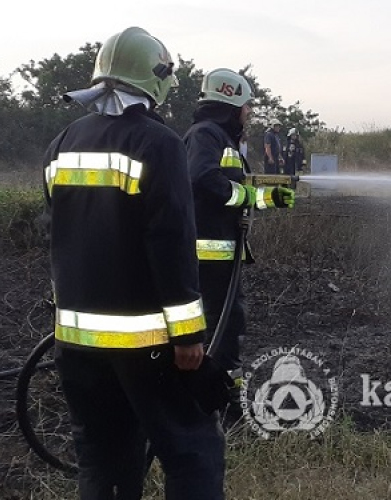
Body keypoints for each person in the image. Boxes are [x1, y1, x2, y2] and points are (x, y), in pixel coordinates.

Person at [44, 27, 225, 499]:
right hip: (148, 345)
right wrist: (188, 337)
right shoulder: (158, 143)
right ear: (157, 78)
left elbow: (62, 235)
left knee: (104, 463)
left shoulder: (63, 141)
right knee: (193, 451)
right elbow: (170, 241)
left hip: (77, 346)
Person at [184, 68, 295, 404]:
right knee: (218, 326)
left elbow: (233, 191)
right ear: (231, 105)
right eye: (246, 106)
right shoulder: (205, 135)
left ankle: (222, 390)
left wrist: (269, 197)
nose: (248, 112)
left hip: (221, 254)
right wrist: (251, 197)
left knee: (229, 323)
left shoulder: (221, 139)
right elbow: (203, 180)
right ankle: (214, 395)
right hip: (206, 254)